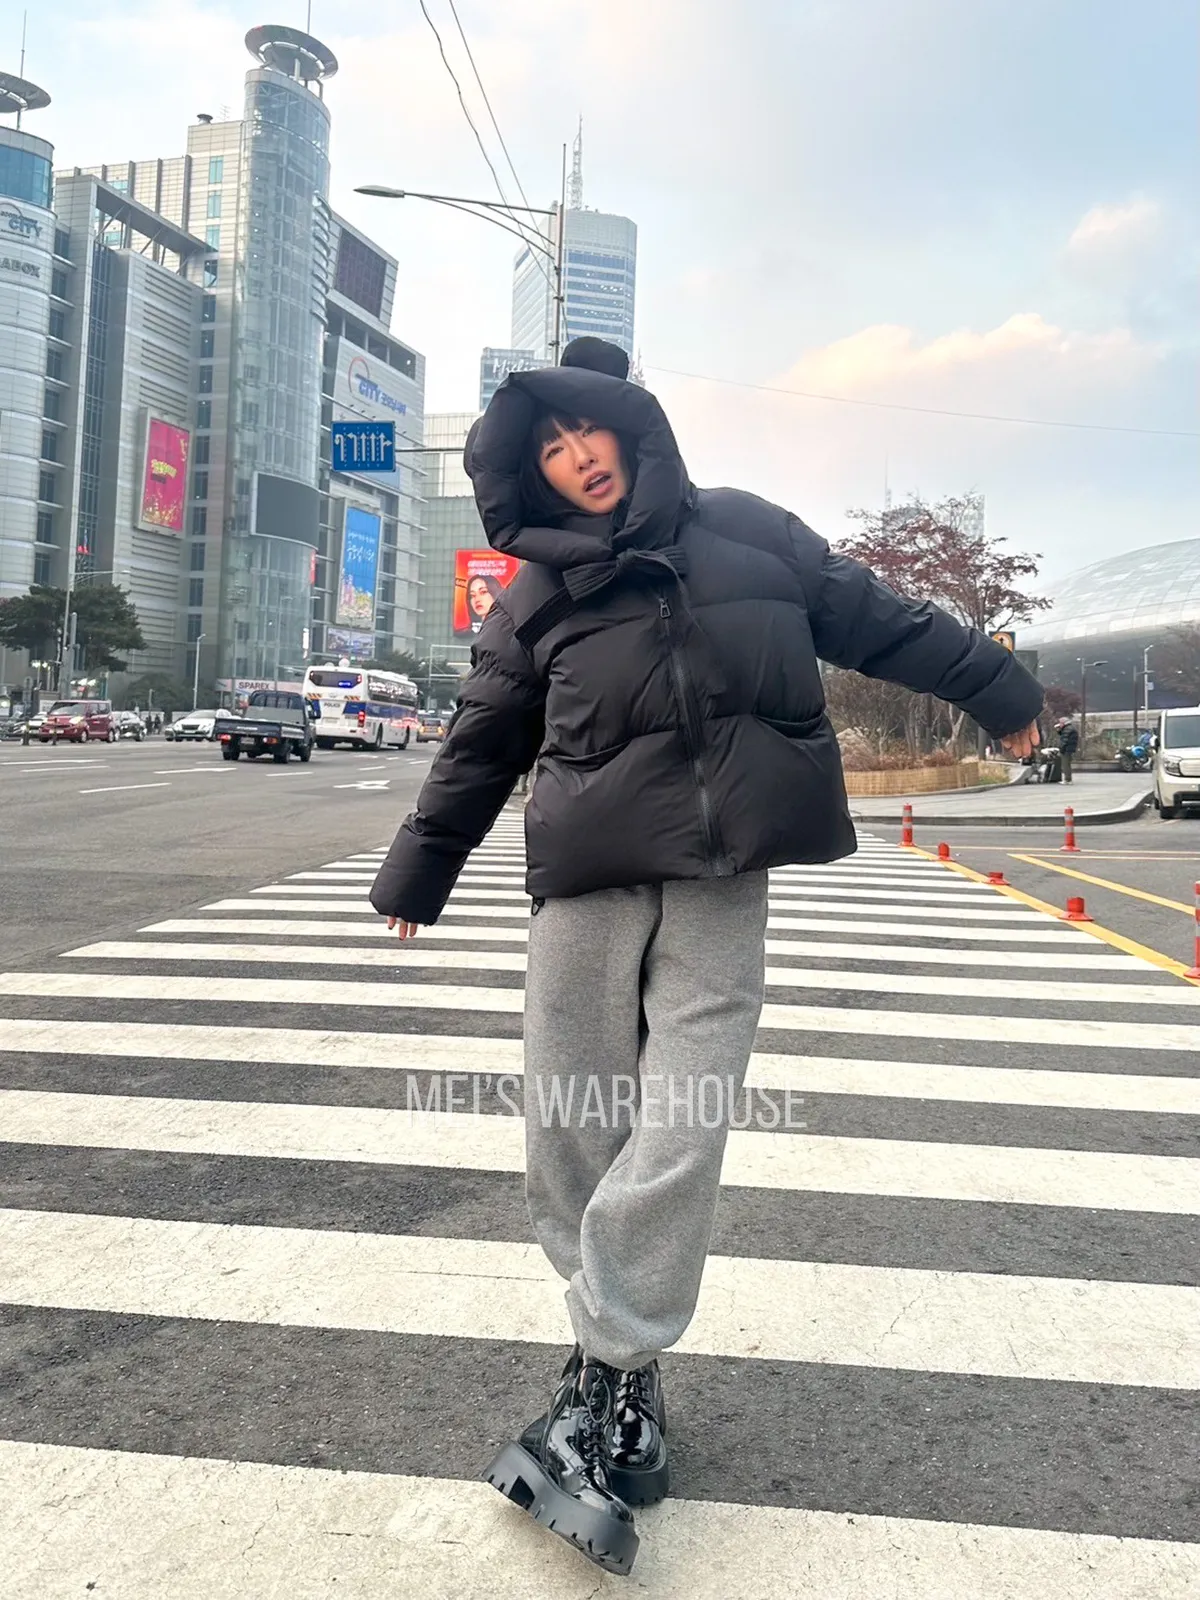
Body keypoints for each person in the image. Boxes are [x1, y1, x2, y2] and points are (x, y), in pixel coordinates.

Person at [369, 337, 1043, 1577]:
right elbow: (480, 737)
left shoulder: (747, 532)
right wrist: (423, 866)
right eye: (549, 449)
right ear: (529, 472)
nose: (577, 458)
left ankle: (605, 1373)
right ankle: (619, 1379)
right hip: (587, 878)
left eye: (588, 430)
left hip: (724, 876)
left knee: (683, 1122)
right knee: (574, 1119)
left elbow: (879, 618)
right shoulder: (534, 594)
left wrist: (997, 686)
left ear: (630, 427)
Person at [1056, 715, 1080, 782]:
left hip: (1067, 749)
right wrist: (1059, 730)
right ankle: (1068, 779)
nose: (1059, 724)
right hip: (1069, 749)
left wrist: (1061, 749)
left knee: (1065, 765)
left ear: (1064, 723)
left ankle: (1067, 779)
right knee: (1067, 764)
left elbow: (1064, 740)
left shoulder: (1067, 729)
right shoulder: (1069, 728)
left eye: (1060, 722)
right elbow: (1064, 735)